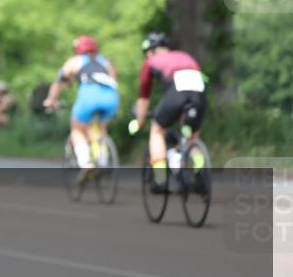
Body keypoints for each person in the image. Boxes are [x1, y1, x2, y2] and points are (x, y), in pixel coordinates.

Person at [132, 32, 208, 193]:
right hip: (199, 92)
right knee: (191, 137)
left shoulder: (150, 61)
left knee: (157, 131)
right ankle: (200, 171)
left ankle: (160, 178)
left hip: (177, 91)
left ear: (150, 51)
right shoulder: (184, 55)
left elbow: (144, 98)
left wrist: (140, 122)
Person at [44, 35, 119, 172]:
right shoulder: (105, 62)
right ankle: (103, 160)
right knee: (101, 126)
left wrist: (51, 101)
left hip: (89, 95)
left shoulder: (75, 61)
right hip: (111, 97)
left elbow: (58, 82)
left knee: (77, 129)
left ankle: (86, 163)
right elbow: (114, 81)